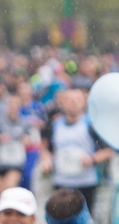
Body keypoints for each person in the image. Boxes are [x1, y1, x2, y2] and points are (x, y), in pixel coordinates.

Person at [41, 87, 110, 215]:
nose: (73, 103)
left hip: (86, 183)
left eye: (77, 99)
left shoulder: (92, 125)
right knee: (62, 220)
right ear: (62, 102)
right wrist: (46, 161)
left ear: (84, 102)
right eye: (69, 100)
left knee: (84, 221)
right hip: (61, 182)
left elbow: (108, 151)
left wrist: (92, 159)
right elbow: (47, 150)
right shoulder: (55, 125)